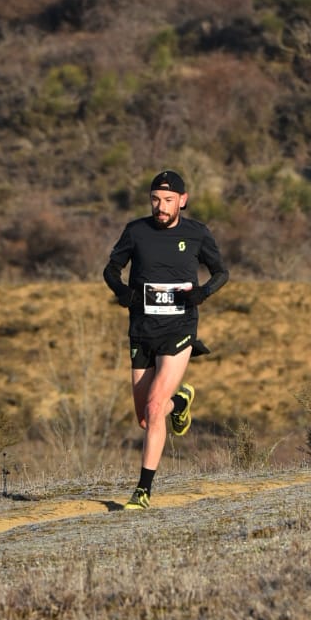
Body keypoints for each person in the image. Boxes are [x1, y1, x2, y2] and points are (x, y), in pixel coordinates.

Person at [104, 169, 229, 509]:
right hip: (142, 330)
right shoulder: (136, 231)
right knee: (146, 418)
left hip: (179, 328)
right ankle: (181, 402)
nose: (161, 207)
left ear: (182, 201)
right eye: (156, 200)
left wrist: (202, 293)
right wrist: (122, 292)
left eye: (168, 200)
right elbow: (110, 270)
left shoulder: (197, 233)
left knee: (155, 406)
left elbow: (221, 272)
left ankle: (142, 491)